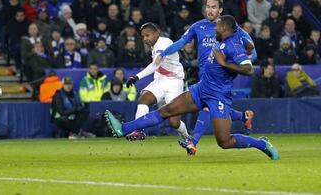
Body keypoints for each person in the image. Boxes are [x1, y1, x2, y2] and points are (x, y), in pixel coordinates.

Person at [105, 15, 280, 160]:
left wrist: (224, 63)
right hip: (201, 88)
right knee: (167, 110)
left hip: (218, 95)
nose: (214, 30)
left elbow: (249, 69)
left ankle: (262, 144)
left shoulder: (235, 45)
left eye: (217, 27)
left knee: (224, 141)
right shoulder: (221, 39)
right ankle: (124, 128)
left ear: (225, 29)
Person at [152, 0, 256, 154]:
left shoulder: (233, 29)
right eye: (208, 6)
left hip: (220, 78)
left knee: (207, 108)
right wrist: (163, 53)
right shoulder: (198, 27)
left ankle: (193, 142)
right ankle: (244, 117)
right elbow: (181, 42)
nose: (210, 10)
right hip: (204, 77)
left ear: (220, 10)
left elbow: (252, 52)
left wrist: (237, 64)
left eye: (214, 7)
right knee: (214, 108)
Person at [124, 22, 190, 141]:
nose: (145, 39)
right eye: (143, 36)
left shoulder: (164, 43)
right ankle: (139, 130)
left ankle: (187, 137)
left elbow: (155, 65)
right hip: (160, 80)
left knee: (174, 122)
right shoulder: (154, 46)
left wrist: (136, 77)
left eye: (147, 35)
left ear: (156, 33)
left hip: (174, 82)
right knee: (144, 99)